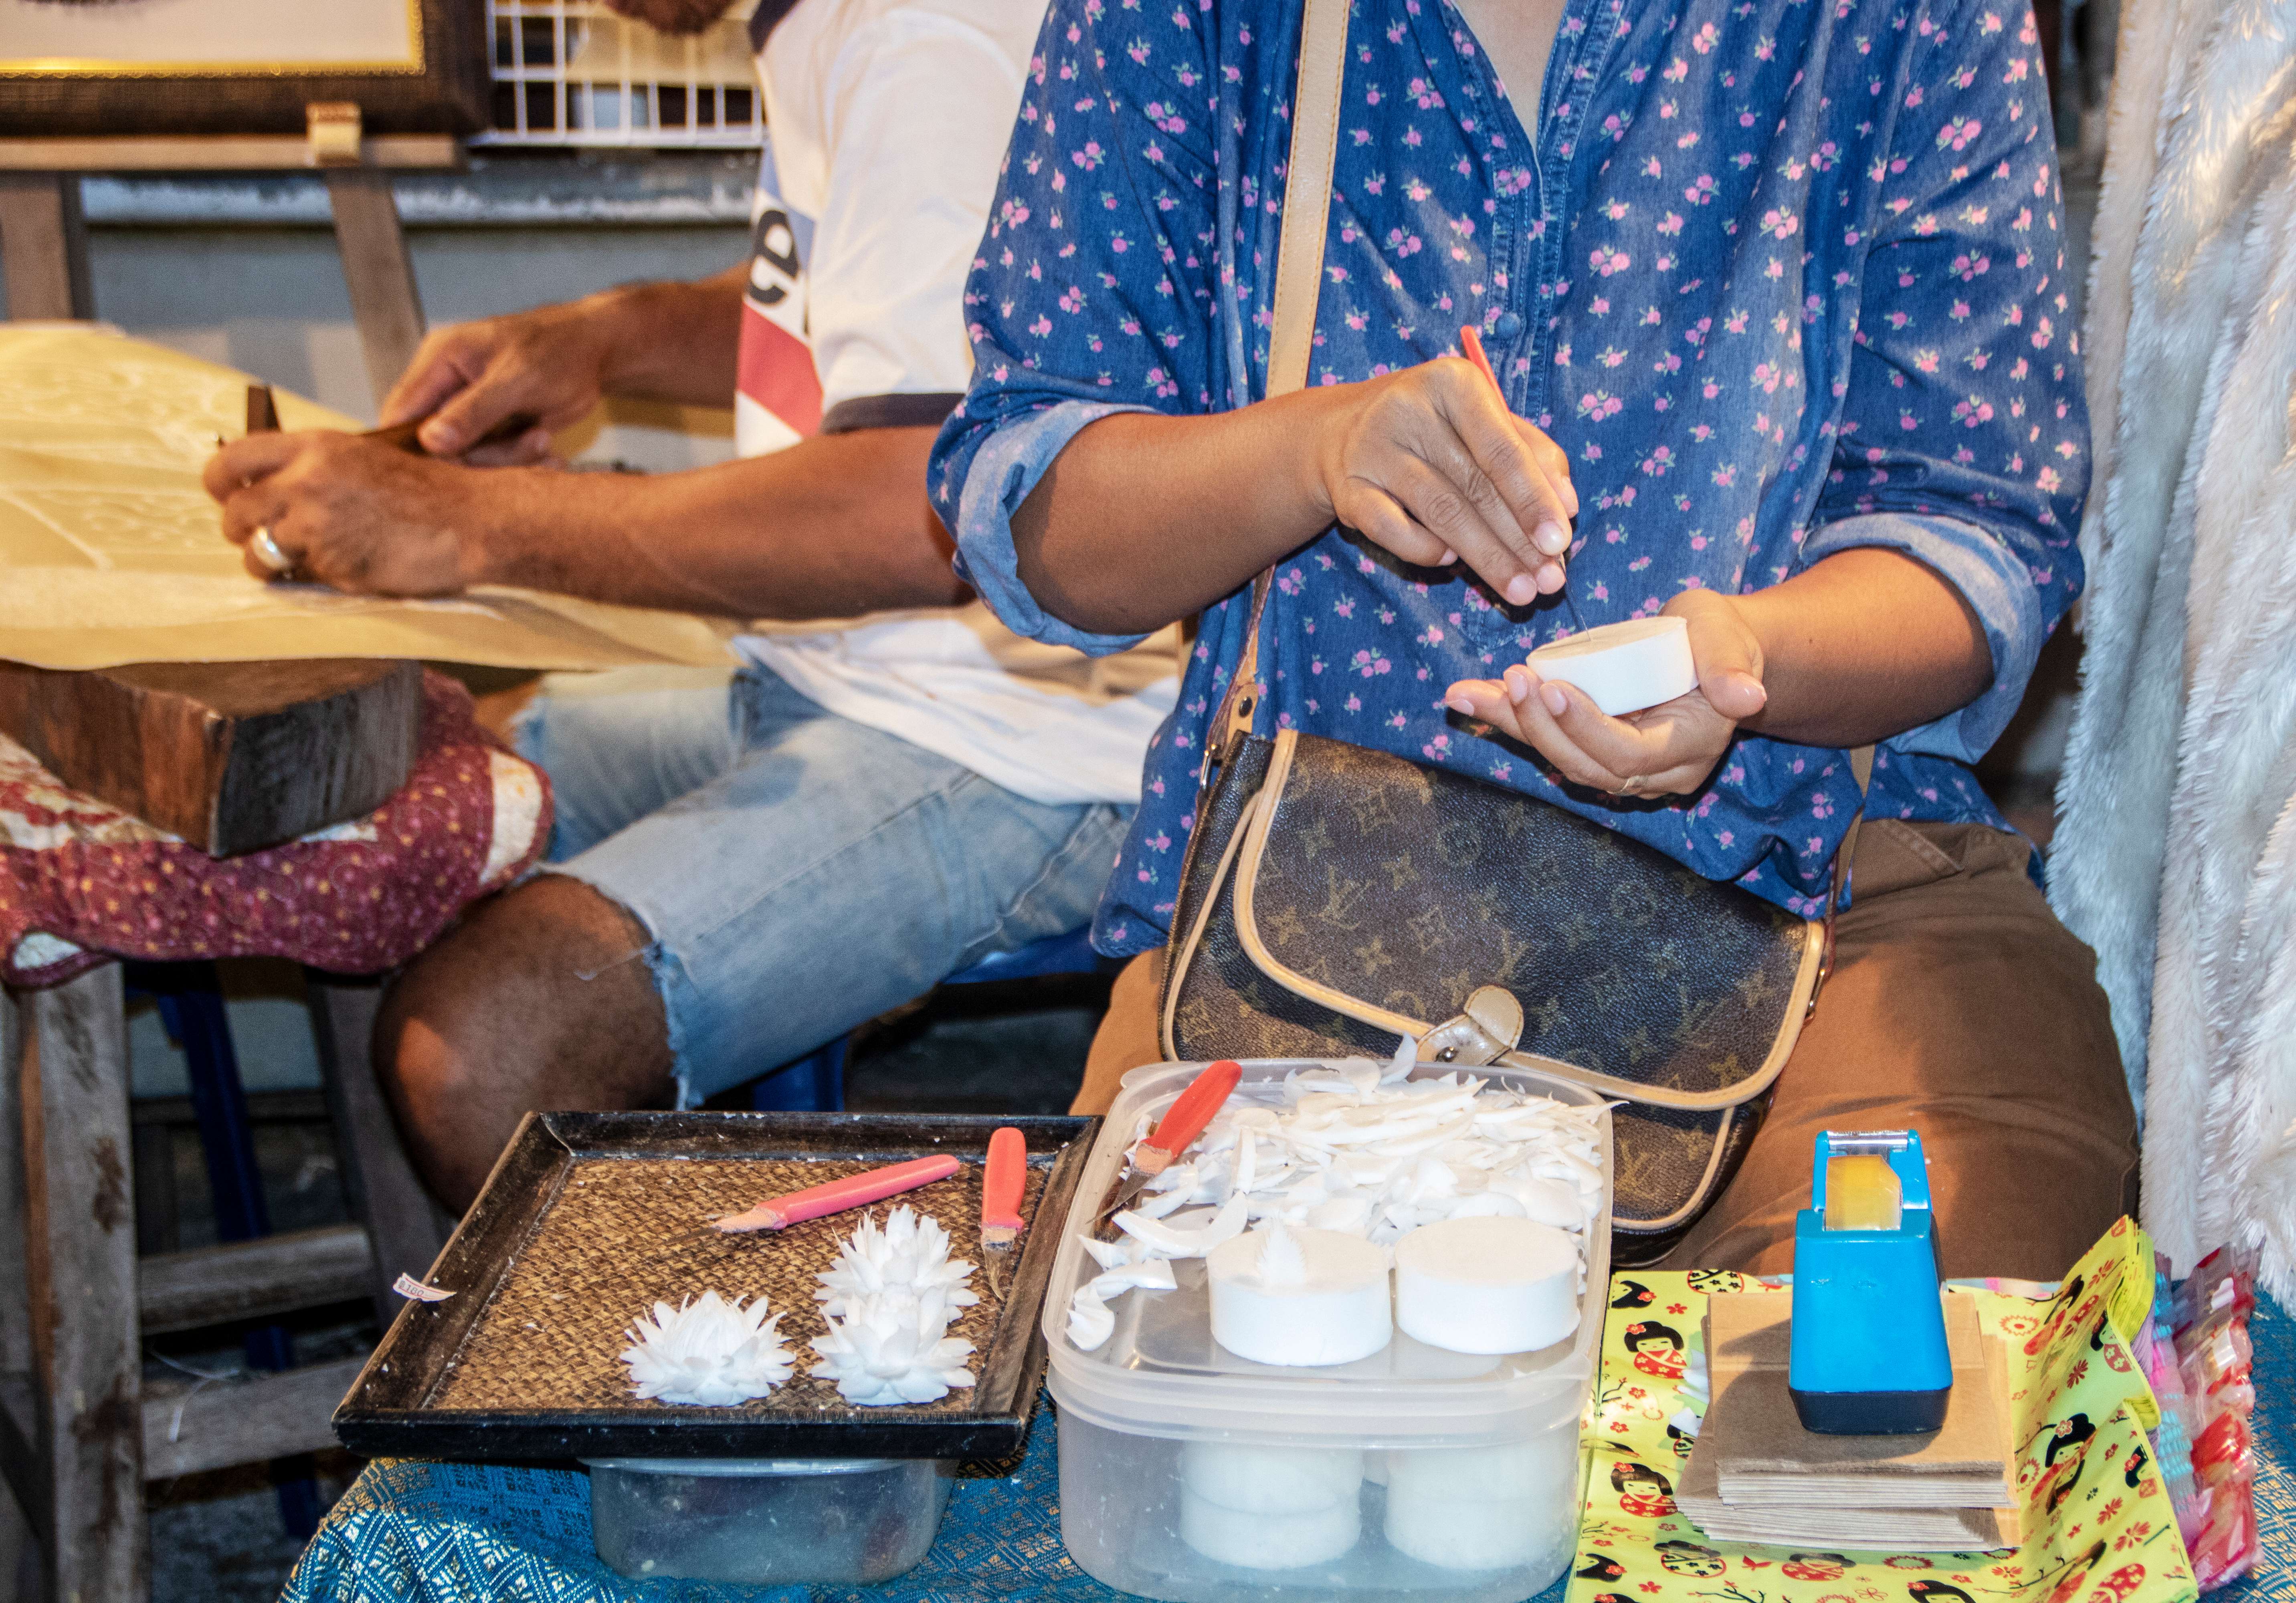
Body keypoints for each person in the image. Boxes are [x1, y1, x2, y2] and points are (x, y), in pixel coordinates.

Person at [930, 0, 2137, 1278]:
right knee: (1191, 1402)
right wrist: (1312, 450)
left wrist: (1752, 660)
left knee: (1896, 1394)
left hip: (1826, 898)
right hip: (1294, 931)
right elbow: (1041, 511)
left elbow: (1978, 530)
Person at [202, 0, 1177, 1210]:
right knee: (405, 801)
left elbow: (924, 517)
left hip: (1017, 745)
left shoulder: (923, 36)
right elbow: (886, 301)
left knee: (477, 1057)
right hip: (844, 675)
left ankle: (721, 1375)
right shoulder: (841, 25)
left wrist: (469, 526)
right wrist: (611, 339)